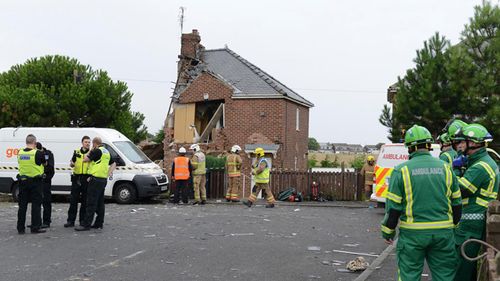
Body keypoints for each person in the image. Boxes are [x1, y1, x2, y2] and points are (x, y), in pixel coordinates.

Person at [380, 125, 462, 280]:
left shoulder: (401, 170)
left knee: (409, 276)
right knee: (445, 276)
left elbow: (393, 209)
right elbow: (457, 203)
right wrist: (454, 226)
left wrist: (388, 231)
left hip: (413, 236)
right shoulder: (446, 168)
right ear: (429, 145)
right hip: (443, 233)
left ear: (409, 147)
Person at [453, 124, 499, 281]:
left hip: (470, 224)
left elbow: (459, 189)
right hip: (474, 222)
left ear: (472, 143)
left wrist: (456, 170)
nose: (459, 145)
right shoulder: (481, 162)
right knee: (468, 269)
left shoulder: (480, 167)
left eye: (463, 142)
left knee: (461, 270)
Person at [75, 137, 116, 231]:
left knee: (91, 202)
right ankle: (99, 223)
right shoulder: (106, 152)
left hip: (95, 179)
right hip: (103, 180)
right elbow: (114, 164)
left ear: (94, 143)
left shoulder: (97, 151)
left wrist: (91, 151)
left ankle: (86, 225)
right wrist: (108, 173)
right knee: (100, 203)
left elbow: (85, 159)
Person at [17, 134, 47, 234]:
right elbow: (45, 164)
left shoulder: (20, 153)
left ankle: (20, 228)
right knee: (36, 205)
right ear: (34, 143)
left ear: (26, 142)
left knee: (22, 206)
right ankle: (35, 227)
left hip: (23, 182)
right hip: (35, 182)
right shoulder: (37, 153)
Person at [65, 136, 91, 228]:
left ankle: (82, 221)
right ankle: (70, 221)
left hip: (86, 178)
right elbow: (72, 163)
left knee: (84, 201)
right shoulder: (76, 152)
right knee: (73, 200)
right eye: (86, 142)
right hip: (77, 178)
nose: (87, 144)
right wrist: (72, 164)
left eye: (89, 142)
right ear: (82, 143)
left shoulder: (91, 153)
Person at [36, 142, 55, 228]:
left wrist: (46, 178)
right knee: (37, 202)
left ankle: (46, 221)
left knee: (46, 201)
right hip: (36, 181)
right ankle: (36, 221)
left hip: (45, 181)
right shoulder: (35, 153)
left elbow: (51, 168)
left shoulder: (48, 154)